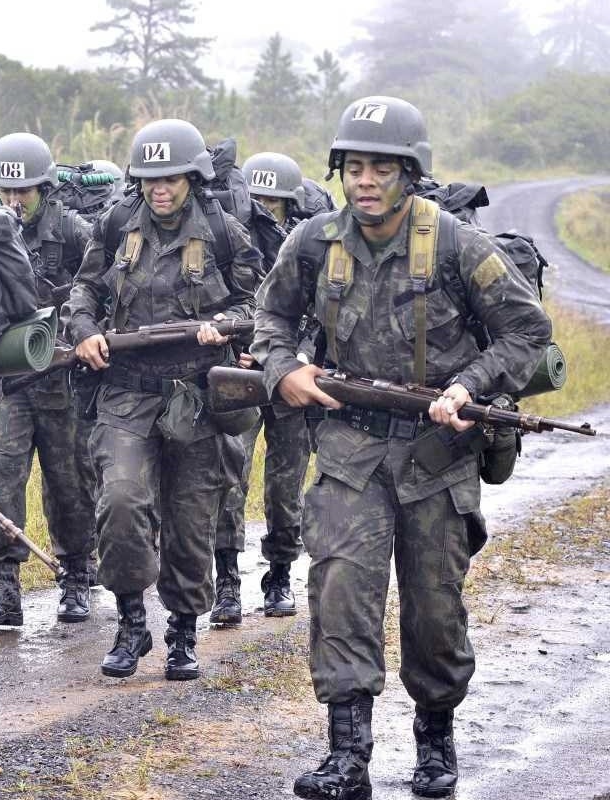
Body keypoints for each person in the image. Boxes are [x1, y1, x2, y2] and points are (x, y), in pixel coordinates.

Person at [251, 96, 551, 800]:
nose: (364, 181)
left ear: (409, 173)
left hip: (436, 458)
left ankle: (435, 740)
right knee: (340, 597)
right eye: (354, 167)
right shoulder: (314, 241)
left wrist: (468, 384)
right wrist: (282, 367)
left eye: (381, 168)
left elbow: (525, 332)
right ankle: (347, 756)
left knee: (434, 612)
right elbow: (269, 315)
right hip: (351, 451)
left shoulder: (455, 244)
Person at [63, 118, 260, 681]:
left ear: (192, 178)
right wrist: (83, 330)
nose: (161, 189)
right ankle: (130, 622)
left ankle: (182, 630)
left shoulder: (224, 232)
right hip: (126, 391)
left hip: (196, 395)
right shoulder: (117, 223)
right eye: (151, 179)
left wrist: (225, 326)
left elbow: (260, 305)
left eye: (171, 178)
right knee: (121, 502)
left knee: (190, 517)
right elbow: (85, 288)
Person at [0, 132, 96, 626]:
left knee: (70, 481)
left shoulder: (76, 232)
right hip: (6, 381)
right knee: (1, 481)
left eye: (25, 191)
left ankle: (77, 577)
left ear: (46, 188)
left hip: (62, 380)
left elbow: (100, 290)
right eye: (5, 191)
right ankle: (4, 586)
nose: (15, 200)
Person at [209, 151, 322, 624]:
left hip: (292, 371)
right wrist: (238, 341)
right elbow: (224, 302)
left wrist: (299, 354)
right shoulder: (231, 238)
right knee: (228, 478)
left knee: (286, 480)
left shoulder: (310, 246)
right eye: (256, 200)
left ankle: (278, 572)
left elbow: (322, 315)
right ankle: (227, 580)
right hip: (242, 368)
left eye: (273, 203)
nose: (262, 209)